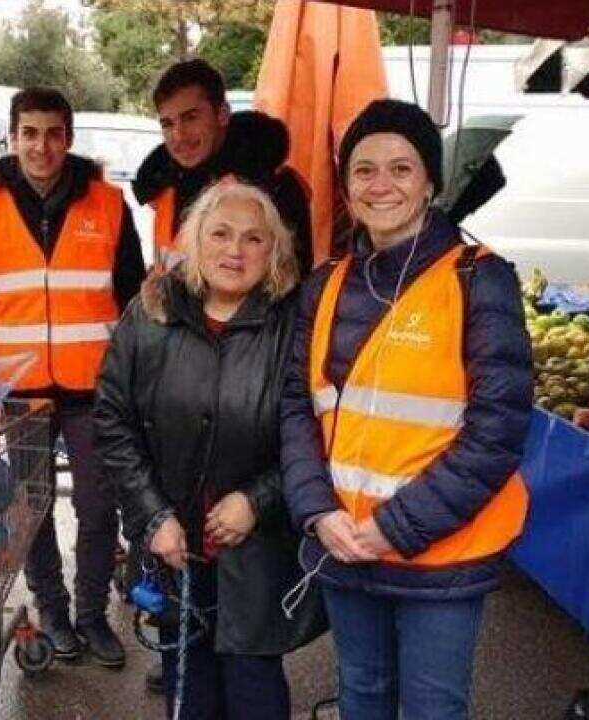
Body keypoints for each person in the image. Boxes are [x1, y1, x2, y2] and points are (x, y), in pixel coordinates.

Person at [281, 99, 533, 720]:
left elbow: (497, 431)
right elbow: (295, 407)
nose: (381, 184)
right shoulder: (328, 281)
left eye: (401, 167)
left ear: (430, 182)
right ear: (345, 188)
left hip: (439, 552)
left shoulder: (479, 279)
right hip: (344, 543)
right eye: (364, 170)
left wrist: (395, 528)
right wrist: (317, 510)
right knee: (361, 695)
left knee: (431, 708)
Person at [95, 181, 327, 718]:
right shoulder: (151, 311)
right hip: (176, 546)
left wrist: (259, 499)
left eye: (253, 239)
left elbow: (315, 430)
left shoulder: (296, 325)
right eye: (220, 234)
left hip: (259, 550)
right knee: (189, 687)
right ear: (194, 241)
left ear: (276, 252)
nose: (235, 250)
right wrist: (153, 518)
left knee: (253, 685)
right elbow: (113, 420)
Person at [0, 87, 146, 667]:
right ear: (12, 138)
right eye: (30, 133)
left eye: (53, 133)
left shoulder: (108, 203)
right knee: (33, 508)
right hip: (18, 392)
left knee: (98, 507)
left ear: (68, 138)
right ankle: (54, 611)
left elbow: (134, 296)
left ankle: (92, 615)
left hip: (94, 389)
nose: (42, 146)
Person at [135, 58, 312, 275]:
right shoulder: (163, 187)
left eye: (190, 118)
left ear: (222, 114)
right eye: (167, 124)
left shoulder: (273, 187)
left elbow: (292, 284)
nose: (178, 135)